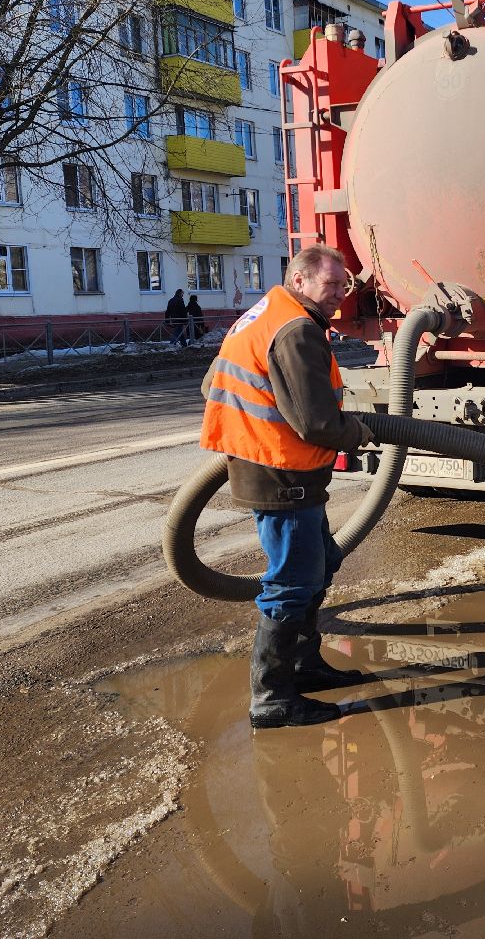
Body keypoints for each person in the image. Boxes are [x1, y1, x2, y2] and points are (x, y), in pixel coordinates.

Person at [200, 244, 375, 729]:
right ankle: (273, 699)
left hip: (279, 466)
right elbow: (317, 423)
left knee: (321, 564)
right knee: (293, 581)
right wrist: (357, 432)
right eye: (331, 285)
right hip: (283, 475)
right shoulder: (297, 330)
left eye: (343, 285)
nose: (340, 295)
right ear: (300, 281)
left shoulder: (265, 314)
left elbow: (210, 384)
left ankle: (303, 665)